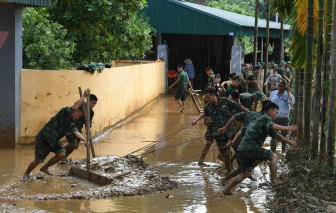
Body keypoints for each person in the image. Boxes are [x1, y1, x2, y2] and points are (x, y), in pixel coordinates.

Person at [223, 102, 298, 195]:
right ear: (270, 111)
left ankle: (227, 189)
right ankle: (274, 181)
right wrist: (287, 128)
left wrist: (289, 142)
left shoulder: (258, 120)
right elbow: (272, 126)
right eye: (276, 113)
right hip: (251, 147)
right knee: (274, 157)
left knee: (246, 173)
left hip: (242, 148)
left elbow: (276, 135)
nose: (277, 116)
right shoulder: (266, 118)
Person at [23, 89, 91, 179]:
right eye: (79, 115)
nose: (78, 117)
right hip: (44, 137)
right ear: (76, 111)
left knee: (62, 154)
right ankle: (26, 174)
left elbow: (75, 131)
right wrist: (84, 96)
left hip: (54, 140)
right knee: (38, 160)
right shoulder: (65, 112)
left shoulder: (72, 121)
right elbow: (74, 107)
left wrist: (85, 140)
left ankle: (45, 167)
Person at [193, 88, 248, 170]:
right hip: (218, 134)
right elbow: (205, 121)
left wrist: (249, 113)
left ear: (214, 95)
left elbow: (238, 106)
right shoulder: (207, 107)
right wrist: (207, 122)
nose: (207, 100)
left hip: (231, 131)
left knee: (240, 150)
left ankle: (244, 169)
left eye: (208, 97)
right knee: (225, 152)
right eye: (206, 98)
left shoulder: (225, 101)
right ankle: (229, 171)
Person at [219, 100, 272, 185]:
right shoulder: (263, 119)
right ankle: (228, 180)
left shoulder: (251, 113)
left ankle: (233, 177)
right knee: (243, 167)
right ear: (269, 110)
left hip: (247, 144)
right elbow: (243, 128)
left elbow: (236, 117)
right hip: (246, 144)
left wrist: (225, 127)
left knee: (250, 163)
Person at [63, 94, 98, 160]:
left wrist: (87, 128)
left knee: (75, 146)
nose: (93, 105)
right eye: (92, 103)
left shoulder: (91, 112)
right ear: (87, 101)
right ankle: (61, 152)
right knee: (73, 143)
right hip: (70, 126)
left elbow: (88, 122)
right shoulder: (79, 105)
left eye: (95, 104)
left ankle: (64, 157)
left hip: (78, 129)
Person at [269, 79, 295, 154]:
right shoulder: (273, 93)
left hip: (284, 118)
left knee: (284, 136)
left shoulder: (288, 95)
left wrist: (288, 92)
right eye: (279, 86)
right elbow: (269, 104)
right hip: (274, 118)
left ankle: (283, 152)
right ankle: (272, 153)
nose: (279, 87)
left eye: (281, 86)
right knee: (273, 136)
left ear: (285, 87)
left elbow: (292, 102)